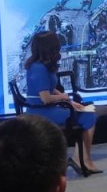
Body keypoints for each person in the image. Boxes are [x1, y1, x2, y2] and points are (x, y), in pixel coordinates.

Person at [22, 30, 101, 174]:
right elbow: (46, 98)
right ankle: (81, 159)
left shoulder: (41, 65)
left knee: (87, 112)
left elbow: (51, 89)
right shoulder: (38, 68)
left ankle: (82, 158)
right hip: (40, 112)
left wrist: (70, 101)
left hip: (45, 109)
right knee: (89, 116)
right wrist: (64, 97)